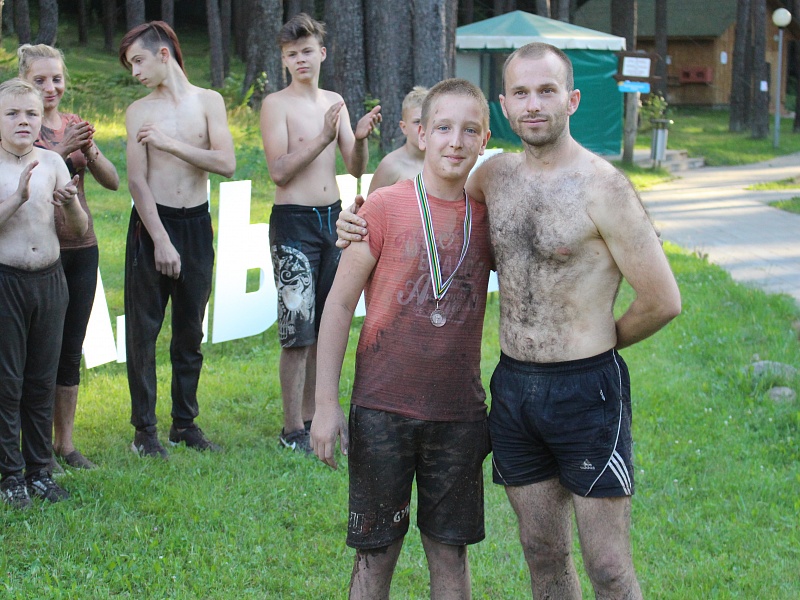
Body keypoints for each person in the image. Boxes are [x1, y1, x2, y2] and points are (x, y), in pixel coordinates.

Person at [337, 43, 681, 599]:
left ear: (572, 99)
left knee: (610, 569)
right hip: (516, 391)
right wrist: (355, 223)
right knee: (543, 555)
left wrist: (598, 343)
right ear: (504, 104)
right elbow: (433, 207)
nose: (534, 104)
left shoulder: (604, 187)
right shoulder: (491, 179)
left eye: (547, 91)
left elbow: (663, 299)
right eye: (521, 92)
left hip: (587, 391)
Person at [311, 79, 493, 600]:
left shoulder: (490, 217)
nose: (454, 141)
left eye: (469, 130)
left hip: (458, 415)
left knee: (450, 554)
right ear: (420, 133)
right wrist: (325, 406)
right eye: (442, 128)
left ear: (484, 140)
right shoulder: (385, 207)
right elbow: (340, 305)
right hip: (381, 410)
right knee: (375, 554)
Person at [259, 12, 381, 453]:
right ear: (284, 60)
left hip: (333, 219)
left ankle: (315, 418)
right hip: (293, 221)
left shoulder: (335, 100)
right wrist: (323, 136)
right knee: (298, 328)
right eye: (292, 55)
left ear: (322, 53)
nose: (300, 60)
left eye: (307, 51)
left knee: (328, 323)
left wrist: (360, 136)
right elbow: (279, 171)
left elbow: (354, 166)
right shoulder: (277, 104)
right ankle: (291, 428)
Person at [119, 21, 235, 458]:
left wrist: (168, 143)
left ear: (163, 54)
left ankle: (184, 424)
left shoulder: (209, 102)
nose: (135, 73)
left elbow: (225, 162)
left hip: (197, 225)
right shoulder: (137, 112)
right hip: (152, 226)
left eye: (138, 61)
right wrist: (161, 241)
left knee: (190, 332)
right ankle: (144, 431)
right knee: (143, 332)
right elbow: (135, 181)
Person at [18, 44, 120, 471]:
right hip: (38, 252)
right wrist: (61, 151)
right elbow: (26, 179)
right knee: (34, 353)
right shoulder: (19, 128)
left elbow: (113, 181)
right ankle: (33, 446)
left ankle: (65, 443)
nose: (50, 87)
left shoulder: (76, 125)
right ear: (23, 81)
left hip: (82, 248)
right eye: (39, 80)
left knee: (69, 349)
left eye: (56, 78)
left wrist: (88, 149)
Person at [0, 78, 86, 509]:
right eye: (12, 113)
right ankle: (10, 474)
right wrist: (16, 198)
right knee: (7, 382)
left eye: (30, 114)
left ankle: (39, 471)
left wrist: (69, 202)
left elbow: (78, 229)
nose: (22, 121)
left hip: (49, 281)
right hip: (6, 282)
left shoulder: (53, 161)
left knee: (41, 380)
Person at [366, 85, 427, 195]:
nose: (423, 128)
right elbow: (370, 208)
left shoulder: (441, 162)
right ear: (404, 127)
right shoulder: (390, 165)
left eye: (428, 121)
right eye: (417, 122)